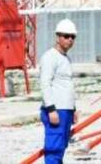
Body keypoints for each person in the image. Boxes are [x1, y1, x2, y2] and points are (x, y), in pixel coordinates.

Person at [39, 18, 78, 164]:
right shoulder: (50, 57)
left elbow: (67, 85)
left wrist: (73, 109)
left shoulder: (66, 59)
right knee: (54, 149)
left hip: (66, 110)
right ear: (58, 37)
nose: (70, 40)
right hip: (56, 110)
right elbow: (45, 84)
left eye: (72, 37)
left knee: (61, 147)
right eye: (66, 36)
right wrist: (51, 109)